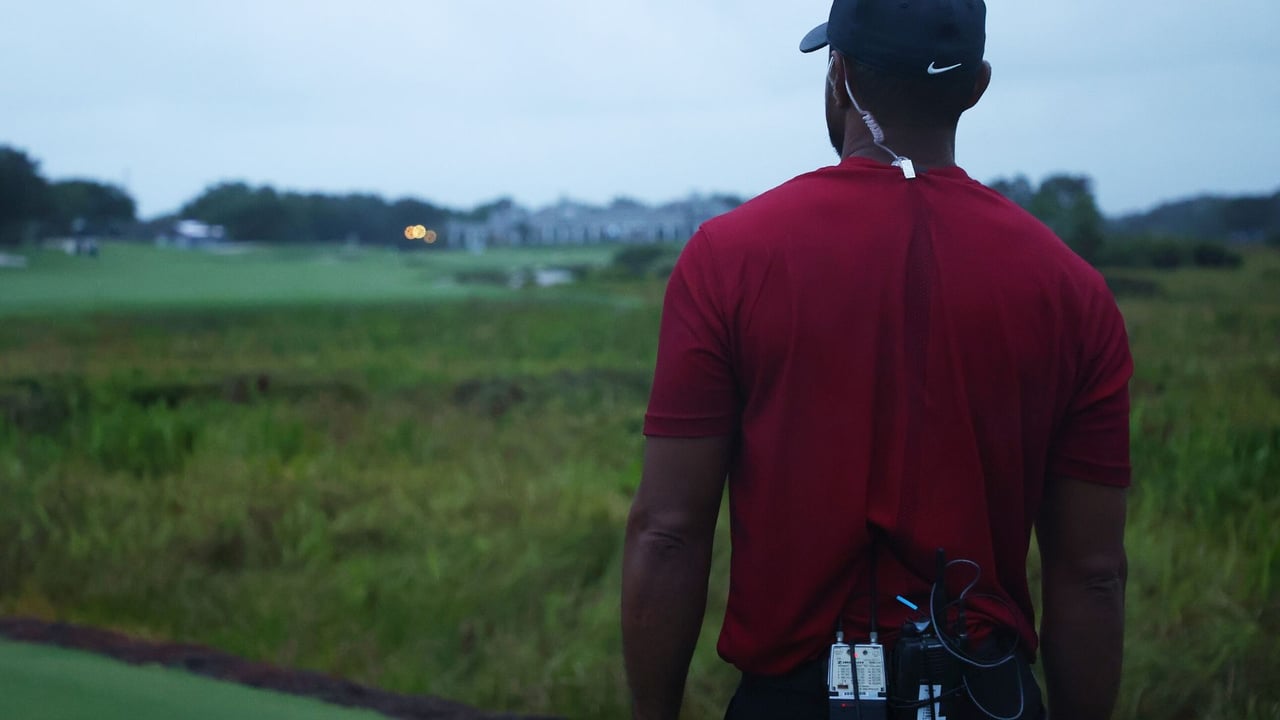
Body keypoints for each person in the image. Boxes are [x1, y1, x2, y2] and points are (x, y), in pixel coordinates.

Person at [621, 1, 1132, 719]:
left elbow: (668, 533)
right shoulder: (1073, 290)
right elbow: (1094, 574)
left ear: (839, 77)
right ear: (977, 86)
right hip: (987, 698)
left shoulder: (729, 258)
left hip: (794, 701)